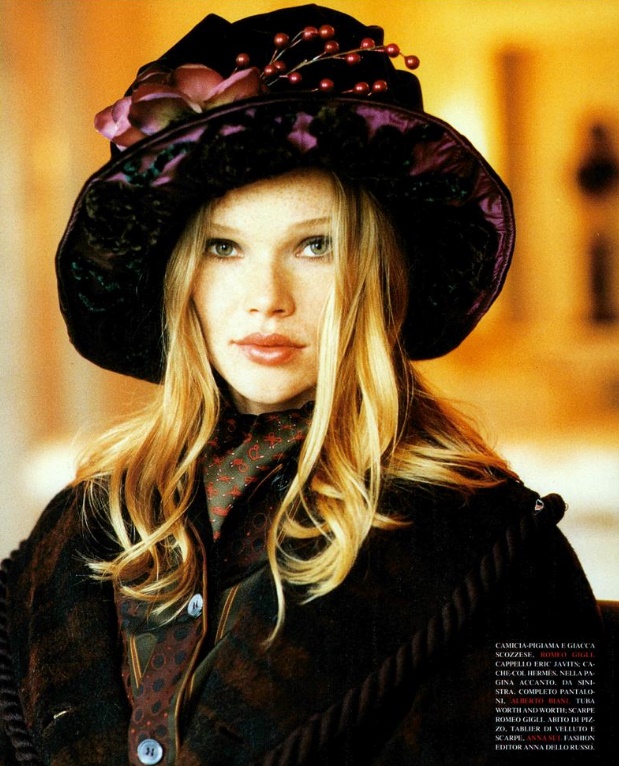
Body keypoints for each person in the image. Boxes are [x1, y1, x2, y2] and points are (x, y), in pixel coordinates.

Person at [0, 5, 608, 765]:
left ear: (380, 276)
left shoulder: (502, 548)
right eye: (224, 247)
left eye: (315, 246)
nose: (267, 298)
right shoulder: (83, 526)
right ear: (179, 281)